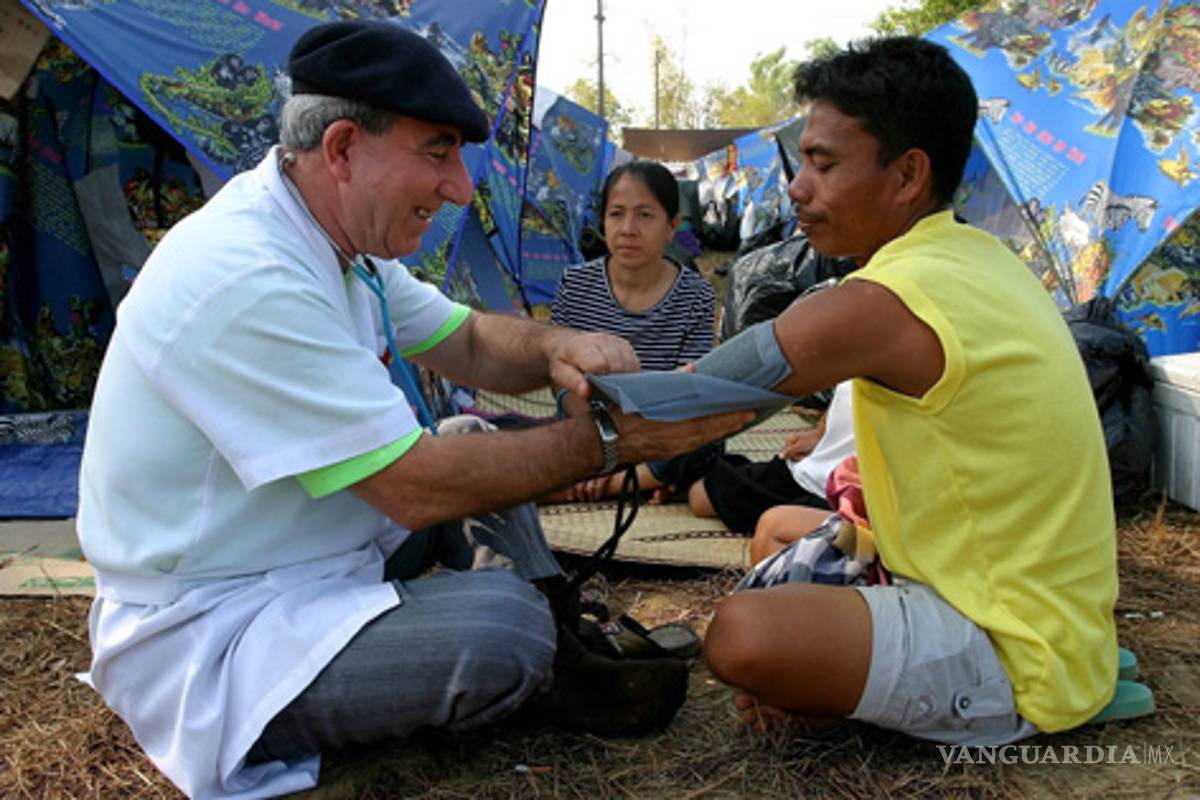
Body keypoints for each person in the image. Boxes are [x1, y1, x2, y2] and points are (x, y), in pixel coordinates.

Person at [76, 21, 749, 799]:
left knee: (470, 434)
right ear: (342, 148)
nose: (460, 187)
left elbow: (467, 341)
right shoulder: (247, 276)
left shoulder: (329, 238)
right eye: (438, 153)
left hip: (312, 557)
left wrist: (559, 344)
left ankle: (561, 647)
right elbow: (415, 488)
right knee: (499, 628)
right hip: (219, 625)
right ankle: (538, 651)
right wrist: (614, 440)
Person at [701, 37, 1118, 747]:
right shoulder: (979, 257)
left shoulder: (886, 298)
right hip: (1026, 602)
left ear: (907, 175)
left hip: (1017, 651)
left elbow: (690, 400)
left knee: (742, 634)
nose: (798, 188)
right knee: (775, 528)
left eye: (823, 164)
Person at [548, 160, 719, 502]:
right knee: (512, 442)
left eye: (645, 215)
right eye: (616, 214)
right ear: (602, 221)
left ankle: (611, 481)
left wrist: (635, 441)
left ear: (671, 226)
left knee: (710, 435)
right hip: (586, 428)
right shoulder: (576, 284)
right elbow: (560, 378)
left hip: (659, 432)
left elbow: (689, 389)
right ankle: (643, 481)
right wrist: (605, 437)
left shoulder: (696, 295)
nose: (628, 229)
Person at [686, 380, 855, 533]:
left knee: (775, 527)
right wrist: (819, 434)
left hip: (850, 496)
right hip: (814, 470)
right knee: (701, 496)